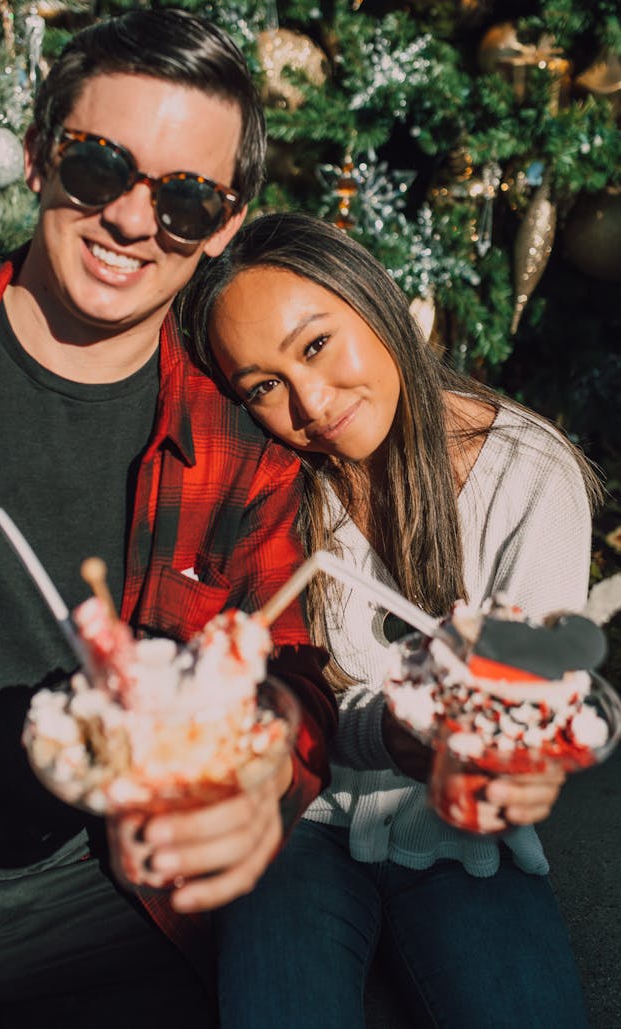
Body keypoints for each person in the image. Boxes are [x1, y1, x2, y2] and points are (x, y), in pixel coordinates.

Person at [0, 13, 338, 1027]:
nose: (132, 220)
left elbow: (289, 670)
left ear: (223, 223)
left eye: (185, 198)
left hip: (120, 905)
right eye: (98, 167)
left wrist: (264, 763)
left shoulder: (244, 445)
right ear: (41, 155)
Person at [180, 209, 603, 1029]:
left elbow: (529, 709)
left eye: (314, 343)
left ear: (372, 299)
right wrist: (388, 731)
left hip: (462, 836)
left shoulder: (527, 472)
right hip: (299, 822)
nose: (309, 401)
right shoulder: (271, 483)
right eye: (262, 386)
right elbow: (265, 697)